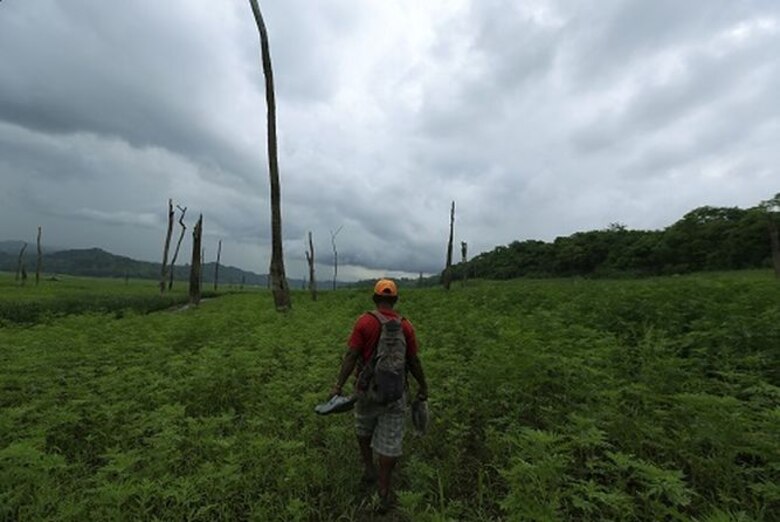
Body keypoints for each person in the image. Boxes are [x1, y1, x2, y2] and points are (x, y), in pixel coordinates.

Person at [330, 278, 428, 512]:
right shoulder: (406, 326)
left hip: (366, 391)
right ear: (394, 300)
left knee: (363, 430)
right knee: (390, 444)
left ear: (375, 299)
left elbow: (351, 355)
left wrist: (337, 387)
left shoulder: (365, 322)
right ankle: (383, 490)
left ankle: (368, 470)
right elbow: (413, 361)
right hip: (395, 394)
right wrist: (423, 386)